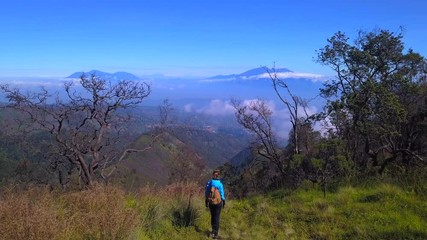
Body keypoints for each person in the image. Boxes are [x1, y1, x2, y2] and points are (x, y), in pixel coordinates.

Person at [205, 169, 226, 239]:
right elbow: (222, 194)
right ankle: (216, 234)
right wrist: (223, 202)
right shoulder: (220, 184)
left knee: (213, 217)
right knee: (217, 217)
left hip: (211, 202)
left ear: (213, 175)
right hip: (218, 203)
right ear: (219, 176)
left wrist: (206, 201)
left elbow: (207, 193)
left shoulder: (209, 183)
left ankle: (213, 231)